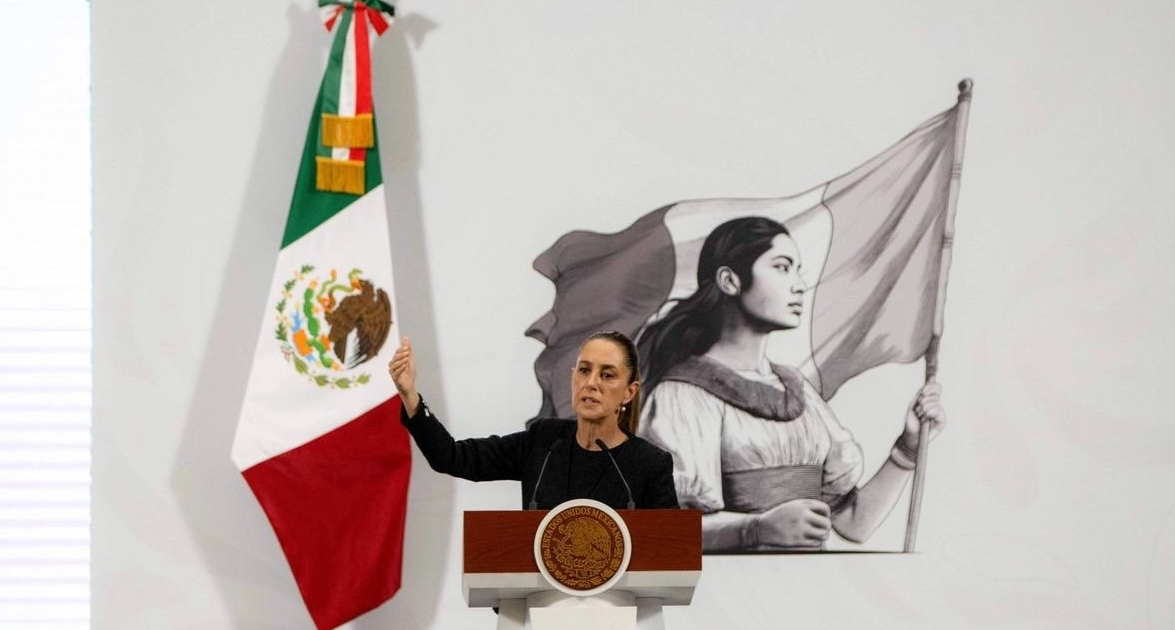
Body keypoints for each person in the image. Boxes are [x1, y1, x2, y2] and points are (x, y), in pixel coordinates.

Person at [636, 216, 946, 551]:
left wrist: (909, 448)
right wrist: (756, 529)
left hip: (806, 592)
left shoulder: (797, 390)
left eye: (799, 270)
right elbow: (660, 533)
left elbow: (854, 523)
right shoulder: (682, 396)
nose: (799, 285)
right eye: (782, 268)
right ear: (729, 280)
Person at [387, 331, 679, 510]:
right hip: (538, 607)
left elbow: (670, 556)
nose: (591, 383)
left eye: (607, 375)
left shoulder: (650, 464)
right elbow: (451, 457)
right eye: (584, 370)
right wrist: (410, 395)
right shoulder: (545, 441)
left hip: (616, 609)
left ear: (630, 392)